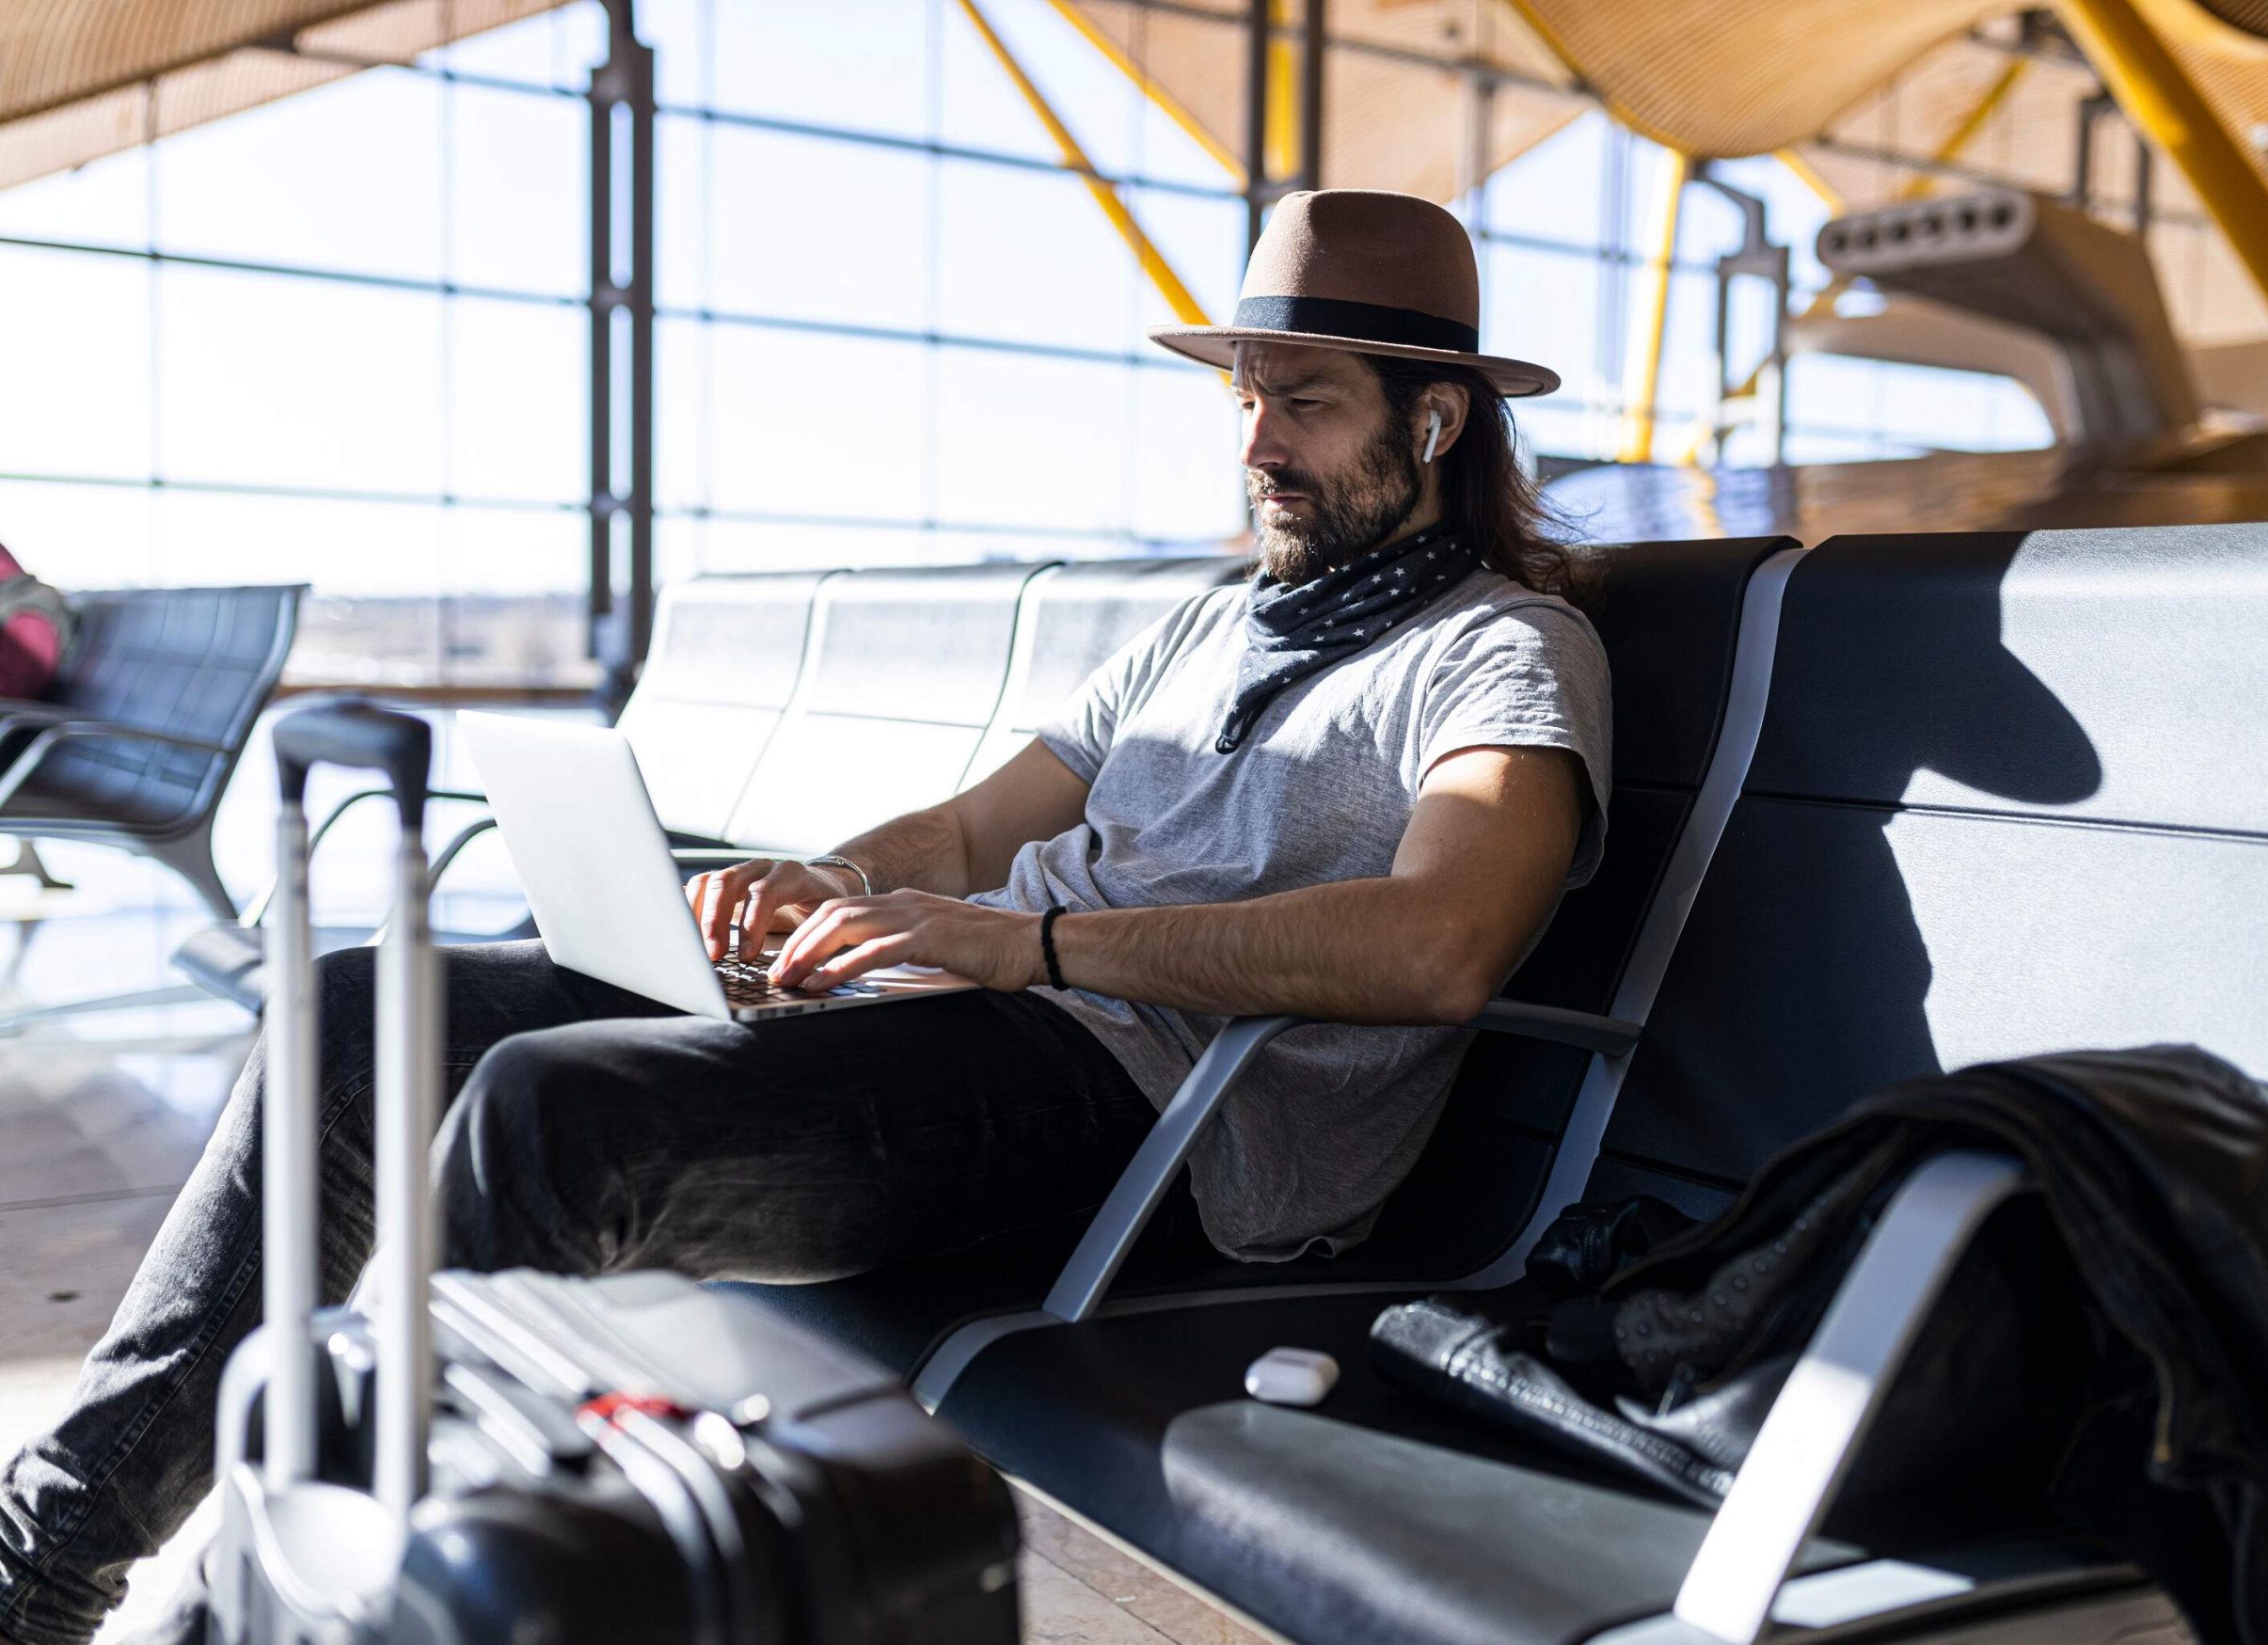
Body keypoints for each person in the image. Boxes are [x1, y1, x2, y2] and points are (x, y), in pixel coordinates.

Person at [0, 187, 1610, 1645]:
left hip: (1156, 1114)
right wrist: (829, 884)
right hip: (966, 1024)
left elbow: (1438, 943)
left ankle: (292, 1621)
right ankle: (39, 1566)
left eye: (1306, 402)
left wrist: (1026, 945)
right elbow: (981, 824)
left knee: (551, 1118)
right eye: (1244, 393)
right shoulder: (1206, 625)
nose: (1255, 439)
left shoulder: (1506, 655)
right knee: (368, 1010)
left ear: (1440, 417)